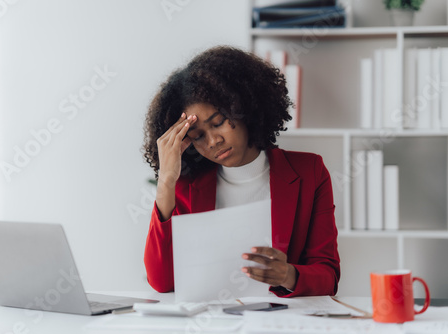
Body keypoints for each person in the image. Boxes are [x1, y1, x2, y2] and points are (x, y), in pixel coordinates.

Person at [142, 45, 340, 297]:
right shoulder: (184, 185)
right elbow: (162, 282)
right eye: (198, 135)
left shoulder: (309, 172)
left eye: (218, 122)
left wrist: (288, 274)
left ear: (245, 108)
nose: (213, 141)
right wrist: (166, 181)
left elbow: (328, 276)